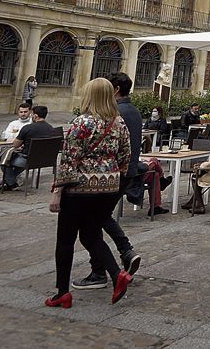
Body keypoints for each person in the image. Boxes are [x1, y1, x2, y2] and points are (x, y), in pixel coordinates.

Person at [46, 78, 132, 308]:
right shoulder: (118, 122)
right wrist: (110, 176)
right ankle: (117, 274)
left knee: (65, 239)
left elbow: (68, 160)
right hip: (109, 187)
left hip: (80, 187)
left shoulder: (81, 123)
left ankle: (62, 292)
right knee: (91, 234)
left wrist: (57, 192)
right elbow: (125, 157)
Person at [73, 73, 141, 291]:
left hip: (110, 175)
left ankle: (102, 270)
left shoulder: (113, 114)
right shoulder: (135, 111)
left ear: (116, 89)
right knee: (99, 218)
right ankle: (123, 252)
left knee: (92, 222)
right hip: (127, 172)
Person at [0, 105, 58, 191]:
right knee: (16, 159)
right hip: (45, 160)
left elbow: (16, 144)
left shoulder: (28, 128)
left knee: (4, 160)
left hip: (28, 160)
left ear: (35, 116)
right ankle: (10, 182)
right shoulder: (51, 129)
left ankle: (11, 183)